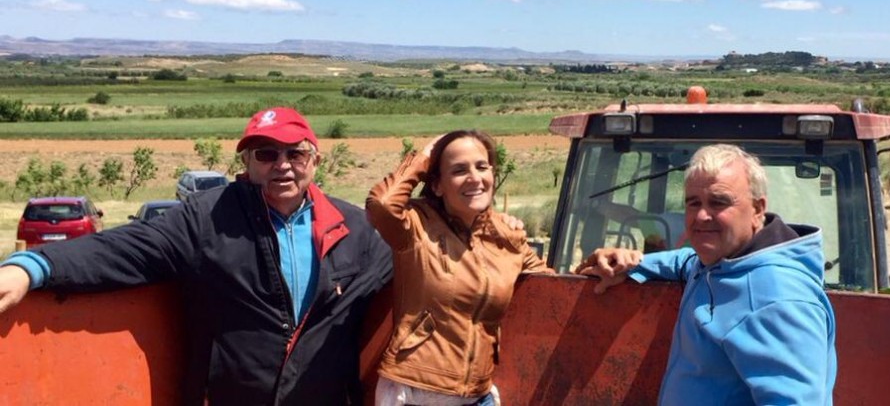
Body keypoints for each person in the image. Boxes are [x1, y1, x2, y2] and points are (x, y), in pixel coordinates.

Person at [0, 107, 393, 405]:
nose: (283, 165)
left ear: (316, 161)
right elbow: (125, 248)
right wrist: (32, 267)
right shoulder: (206, 218)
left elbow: (421, 265)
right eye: (266, 154)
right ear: (247, 164)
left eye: (296, 153)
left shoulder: (357, 229)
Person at [577, 144, 837, 405]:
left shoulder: (779, 299)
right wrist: (633, 263)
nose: (702, 215)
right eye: (693, 203)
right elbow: (686, 261)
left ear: (757, 210)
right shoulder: (722, 264)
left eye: (718, 202)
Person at [366, 130, 551, 406]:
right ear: (438, 185)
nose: (475, 178)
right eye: (459, 170)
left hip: (478, 395)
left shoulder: (508, 236)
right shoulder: (416, 227)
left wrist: (600, 264)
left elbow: (553, 283)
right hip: (418, 394)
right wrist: (423, 158)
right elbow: (381, 205)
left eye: (482, 166)